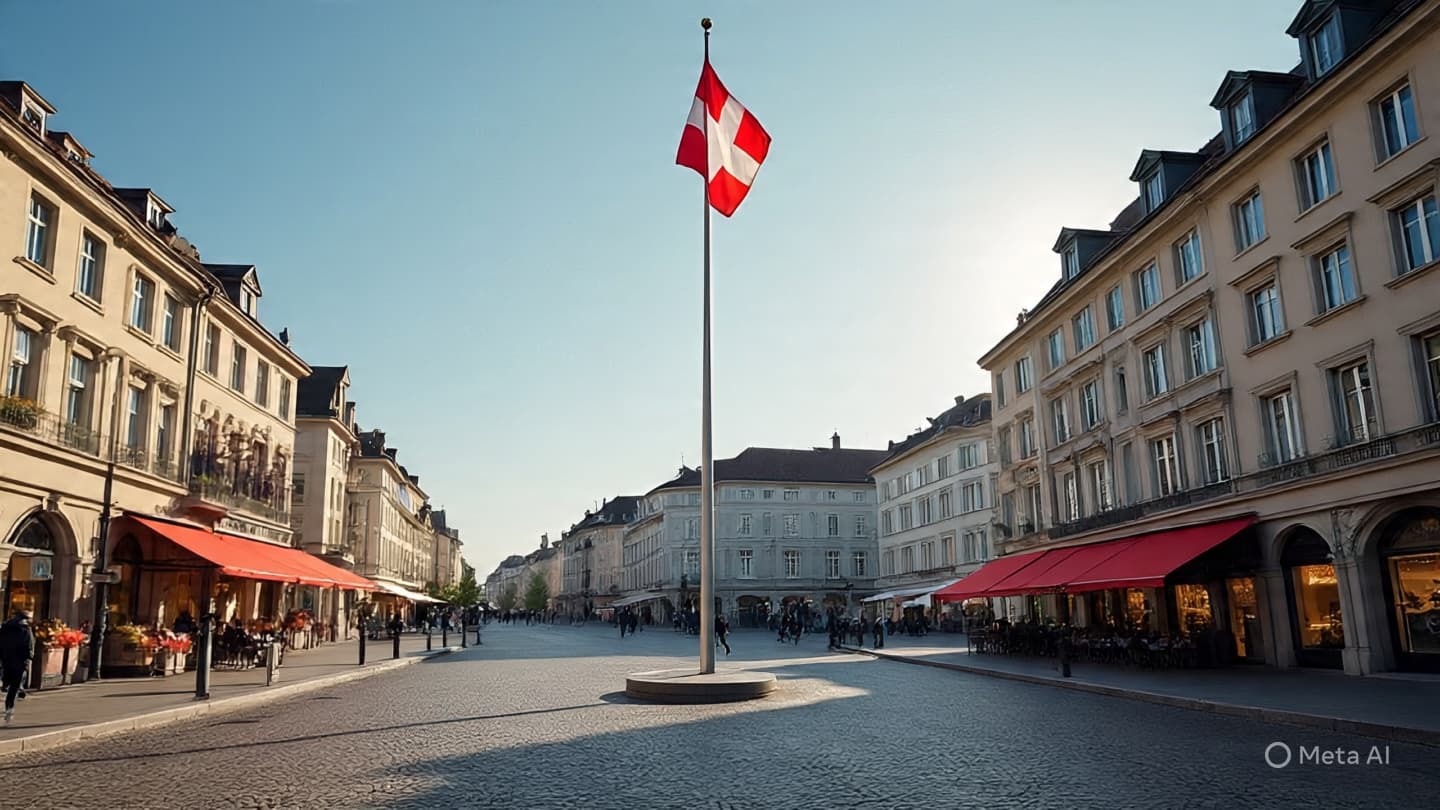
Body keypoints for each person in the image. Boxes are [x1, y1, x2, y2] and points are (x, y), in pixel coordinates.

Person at [0, 610, 35, 724]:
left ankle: (11, 688)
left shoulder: (5, 628)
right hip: (19, 662)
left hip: (6, 661)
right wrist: (28, 660)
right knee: (14, 687)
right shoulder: (26, 629)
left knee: (9, 683)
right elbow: (29, 647)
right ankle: (9, 709)